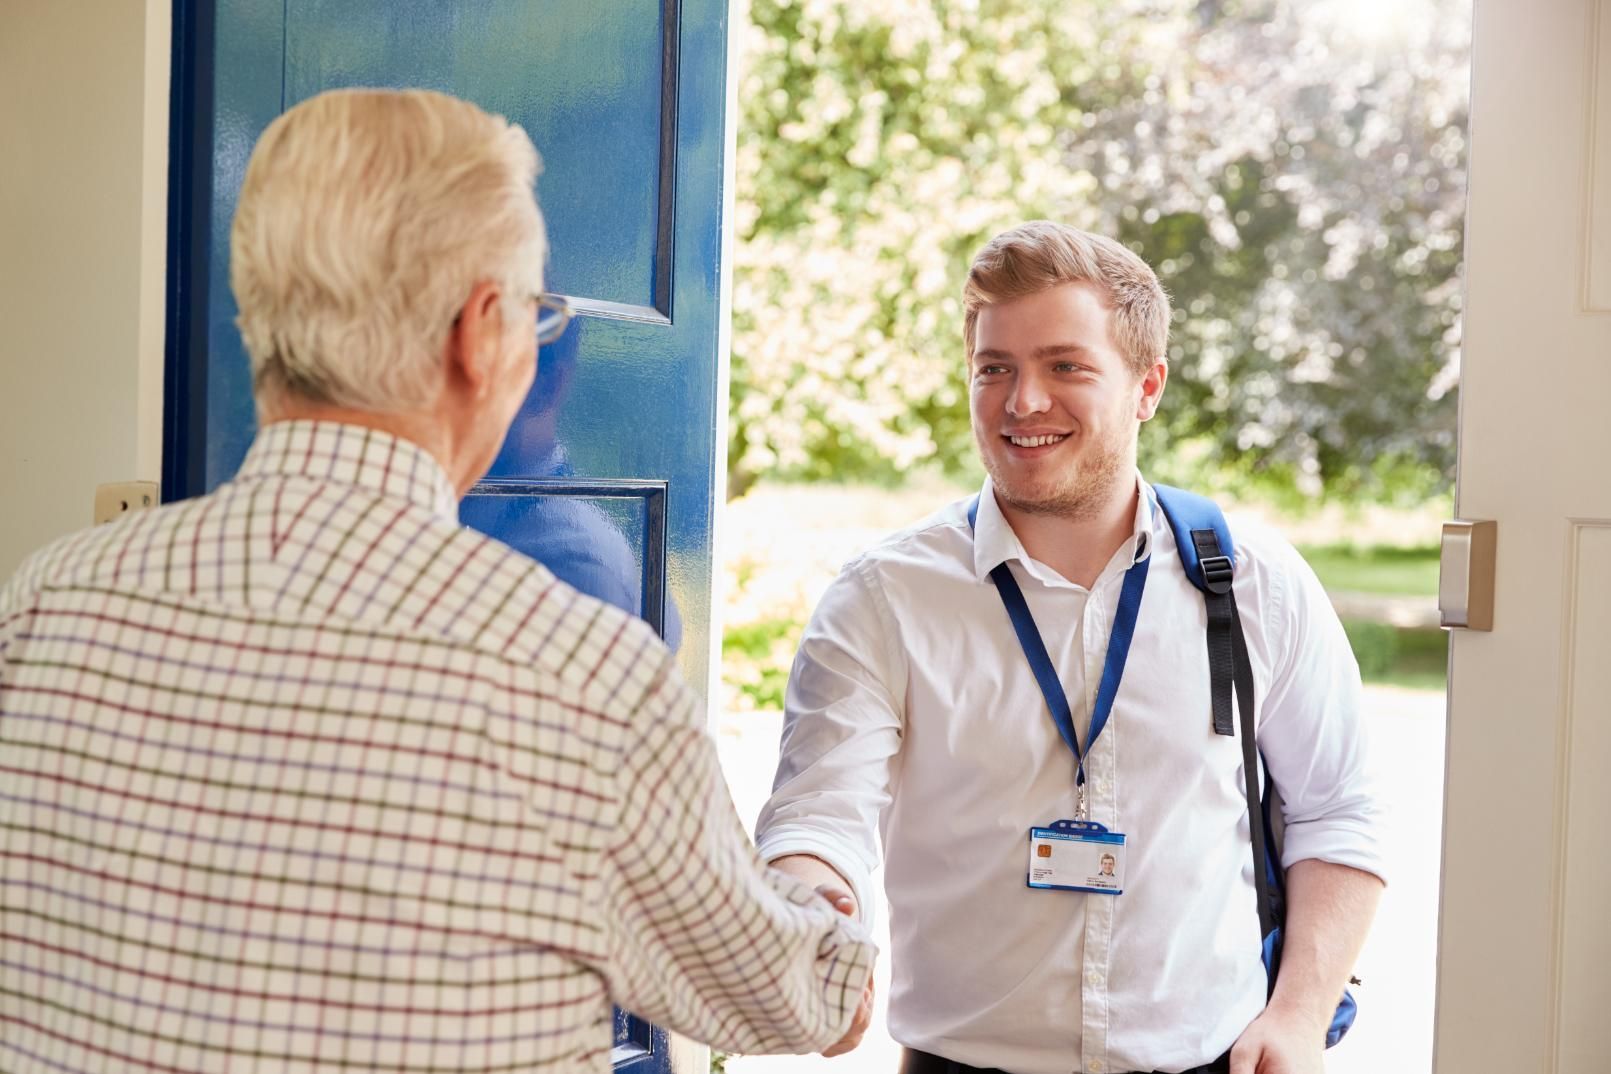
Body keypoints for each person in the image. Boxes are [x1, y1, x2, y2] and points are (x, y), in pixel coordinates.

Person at [0, 88, 872, 1073]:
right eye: (536, 314)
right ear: (480, 330)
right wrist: (818, 900)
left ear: (258, 319)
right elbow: (798, 1001)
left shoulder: (49, 601)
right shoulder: (578, 677)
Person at [756, 221, 1386, 1074]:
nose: (1021, 402)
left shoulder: (1253, 581)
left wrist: (1301, 1016)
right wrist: (812, 913)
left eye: (1065, 367)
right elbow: (818, 812)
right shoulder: (884, 596)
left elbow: (1336, 809)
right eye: (995, 369)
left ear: (1146, 387)